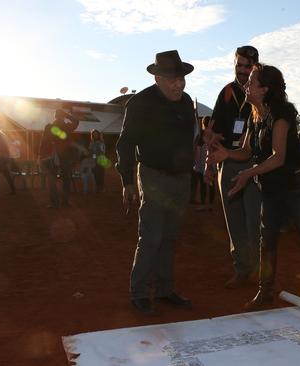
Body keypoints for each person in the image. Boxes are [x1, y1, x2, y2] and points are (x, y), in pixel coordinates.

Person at [208, 64, 300, 312]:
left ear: (264, 89)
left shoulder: (282, 113)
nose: (246, 85)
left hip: (295, 186)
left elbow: (278, 157)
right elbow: (248, 151)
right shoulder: (254, 114)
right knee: (267, 241)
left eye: (251, 81)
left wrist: (248, 173)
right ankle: (265, 293)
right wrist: (226, 153)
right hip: (271, 187)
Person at [116, 50, 196, 314]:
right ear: (158, 78)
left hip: (181, 179)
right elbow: (125, 144)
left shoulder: (185, 103)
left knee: (170, 237)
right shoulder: (140, 104)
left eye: (181, 78)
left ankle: (164, 289)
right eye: (173, 79)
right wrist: (127, 181)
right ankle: (139, 292)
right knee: (151, 236)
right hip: (153, 176)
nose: (179, 84)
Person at [207, 45, 261, 289]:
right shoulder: (227, 92)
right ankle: (241, 269)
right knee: (234, 221)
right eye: (238, 65)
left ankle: (262, 272)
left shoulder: (263, 92)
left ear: (255, 67)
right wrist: (210, 156)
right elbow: (215, 132)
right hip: (227, 161)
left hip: (254, 163)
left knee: (255, 220)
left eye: (247, 67)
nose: (241, 70)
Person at [38, 109, 79, 208]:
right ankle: (65, 202)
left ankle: (54, 203)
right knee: (66, 179)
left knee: (52, 179)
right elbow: (76, 121)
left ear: (55, 116)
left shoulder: (49, 127)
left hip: (52, 155)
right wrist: (67, 115)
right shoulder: (67, 126)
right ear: (62, 116)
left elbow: (43, 142)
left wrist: (40, 155)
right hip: (65, 155)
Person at [193, 116, 216, 211]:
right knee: (211, 183)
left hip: (201, 165)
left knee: (203, 184)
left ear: (203, 124)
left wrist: (196, 163)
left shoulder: (201, 136)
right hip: (212, 163)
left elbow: (198, 152)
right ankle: (211, 204)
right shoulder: (214, 135)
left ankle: (203, 203)